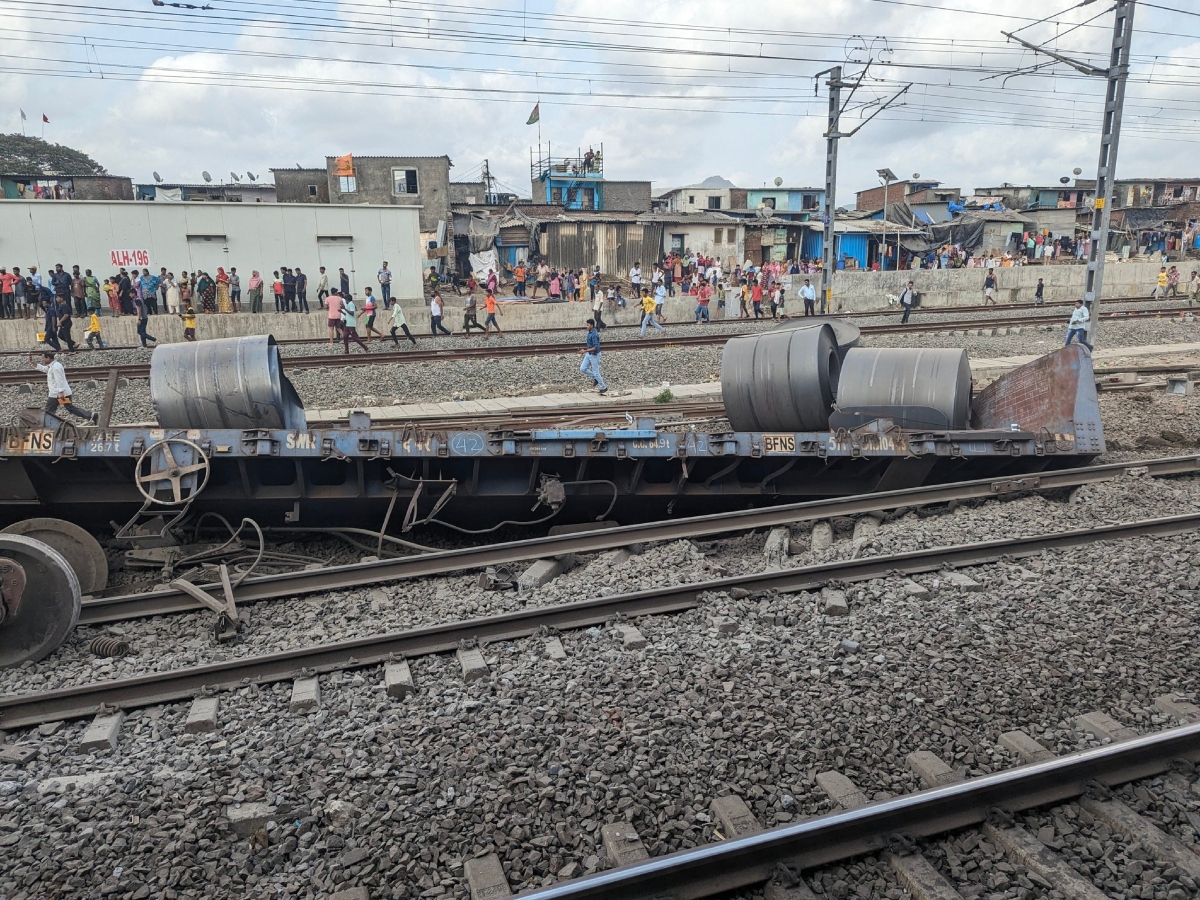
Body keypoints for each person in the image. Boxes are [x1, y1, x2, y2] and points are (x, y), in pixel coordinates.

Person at [31, 351, 97, 424]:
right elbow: (45, 369)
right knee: (70, 408)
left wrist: (61, 392)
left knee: (49, 411)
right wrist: (34, 363)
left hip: (57, 395)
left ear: (48, 358)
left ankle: (49, 426)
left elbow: (59, 380)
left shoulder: (56, 367)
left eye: (43, 358)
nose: (42, 360)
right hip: (60, 394)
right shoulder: (53, 366)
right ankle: (91, 416)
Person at [578, 318, 607, 394]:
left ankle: (603, 387)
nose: (586, 326)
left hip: (595, 355)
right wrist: (586, 351)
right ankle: (595, 378)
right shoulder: (590, 332)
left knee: (596, 372)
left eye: (587, 325)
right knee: (583, 368)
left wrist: (585, 351)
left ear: (592, 325)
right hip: (589, 354)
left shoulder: (594, 334)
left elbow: (596, 347)